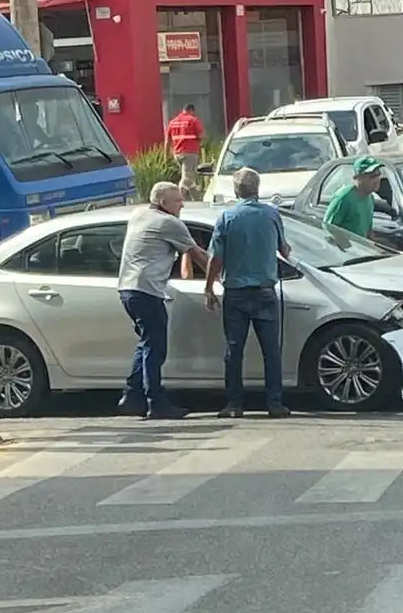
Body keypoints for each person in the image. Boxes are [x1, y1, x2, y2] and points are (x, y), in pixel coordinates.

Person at [204, 167, 291, 419]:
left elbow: (215, 258)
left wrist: (209, 287)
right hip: (265, 291)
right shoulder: (272, 215)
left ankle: (234, 404)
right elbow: (284, 250)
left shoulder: (226, 217)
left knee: (234, 350)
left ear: (235, 190)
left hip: (236, 292)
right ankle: (274, 403)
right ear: (258, 188)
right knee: (271, 351)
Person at [118, 182, 209, 420]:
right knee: (155, 347)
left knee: (146, 342)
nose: (182, 204)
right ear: (163, 203)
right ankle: (155, 401)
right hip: (147, 291)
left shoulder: (139, 214)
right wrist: (220, 276)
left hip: (127, 288)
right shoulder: (169, 223)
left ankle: (132, 395)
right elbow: (198, 255)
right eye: (177, 200)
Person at [323, 155, 384, 238]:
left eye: (378, 174)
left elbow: (368, 232)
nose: (377, 179)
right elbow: (328, 230)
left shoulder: (370, 197)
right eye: (372, 176)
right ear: (357, 178)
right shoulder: (343, 198)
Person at [165, 104, 206, 201]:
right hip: (190, 153)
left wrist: (166, 156)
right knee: (187, 178)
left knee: (189, 177)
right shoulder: (193, 120)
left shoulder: (173, 122)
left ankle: (197, 199)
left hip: (177, 153)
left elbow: (168, 141)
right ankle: (176, 199)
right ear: (192, 111)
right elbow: (202, 135)